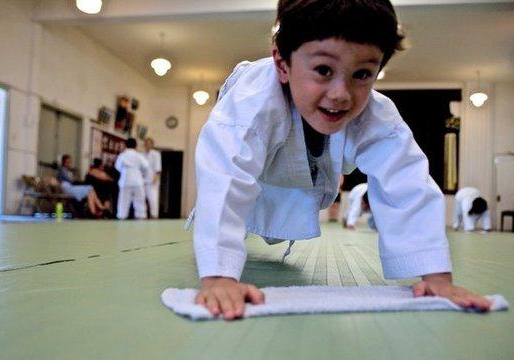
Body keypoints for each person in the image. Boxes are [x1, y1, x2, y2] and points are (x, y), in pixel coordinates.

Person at [191, 0, 491, 320]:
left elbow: (407, 183)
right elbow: (225, 174)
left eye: (362, 74)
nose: (341, 93)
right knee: (236, 174)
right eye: (323, 70)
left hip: (308, 163)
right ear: (282, 62)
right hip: (253, 136)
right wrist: (219, 277)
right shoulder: (250, 101)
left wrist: (436, 278)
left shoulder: (377, 116)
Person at [115, 138, 150, 220]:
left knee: (123, 201)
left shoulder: (122, 155)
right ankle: (141, 218)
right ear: (136, 146)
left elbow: (117, 167)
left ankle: (121, 217)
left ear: (125, 145)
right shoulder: (139, 155)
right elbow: (146, 166)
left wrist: (125, 170)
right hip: (137, 181)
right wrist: (140, 172)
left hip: (125, 180)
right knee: (140, 201)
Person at [142, 137, 162, 218]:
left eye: (149, 143)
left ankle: (154, 216)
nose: (147, 145)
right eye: (146, 143)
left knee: (153, 200)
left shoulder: (156, 154)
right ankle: (144, 216)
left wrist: (156, 178)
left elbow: (158, 168)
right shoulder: (141, 154)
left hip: (153, 180)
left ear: (152, 145)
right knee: (142, 200)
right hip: (143, 181)